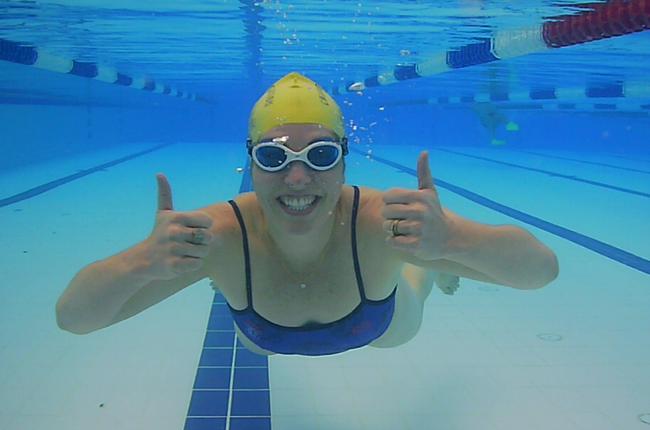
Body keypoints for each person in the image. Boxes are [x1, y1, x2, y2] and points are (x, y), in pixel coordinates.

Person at [56, 72, 558, 356]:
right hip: (264, 337)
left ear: (344, 160)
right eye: (274, 159)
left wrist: (452, 240)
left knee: (415, 277)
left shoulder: (380, 219)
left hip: (382, 327)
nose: (298, 180)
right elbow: (74, 319)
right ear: (250, 162)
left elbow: (541, 271)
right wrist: (142, 262)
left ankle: (428, 268)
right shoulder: (220, 234)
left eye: (320, 157)